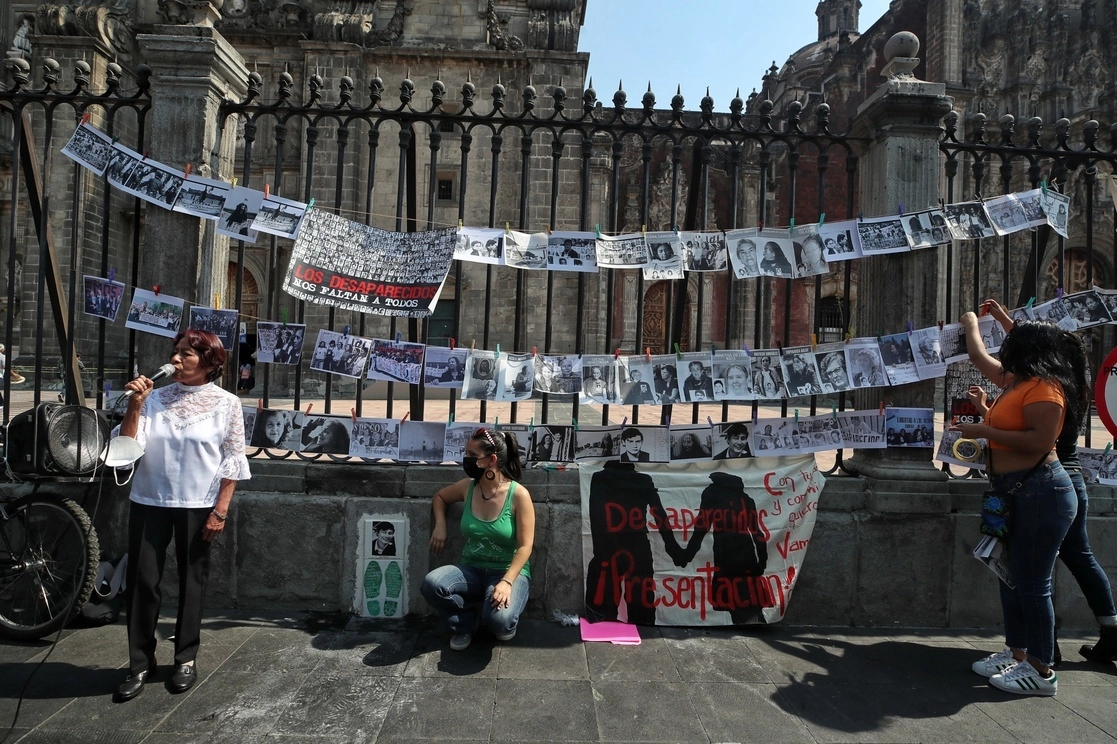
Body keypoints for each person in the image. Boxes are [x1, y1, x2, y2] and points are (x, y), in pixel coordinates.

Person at [970, 299, 1117, 667]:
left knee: (1035, 577)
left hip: (1047, 483)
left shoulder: (1045, 387)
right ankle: (1094, 633)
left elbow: (1035, 438)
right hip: (1047, 483)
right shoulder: (1062, 382)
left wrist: (972, 323)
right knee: (1056, 564)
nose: (1010, 354)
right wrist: (1005, 321)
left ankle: (1041, 656)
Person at [111, 329, 251, 702]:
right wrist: (136, 404)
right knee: (143, 582)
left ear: (209, 362)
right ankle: (139, 663)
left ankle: (185, 658)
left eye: (187, 354)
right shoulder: (153, 399)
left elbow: (232, 460)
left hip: (198, 504)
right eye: (175, 352)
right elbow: (127, 446)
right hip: (150, 499)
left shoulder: (227, 403)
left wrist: (220, 510)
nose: (176, 359)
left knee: (193, 581)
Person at [953, 310, 1087, 697]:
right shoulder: (1020, 382)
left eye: (1010, 342)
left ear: (1025, 349)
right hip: (1014, 491)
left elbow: (1037, 442)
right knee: (1011, 578)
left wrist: (983, 429)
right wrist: (984, 413)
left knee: (1032, 584)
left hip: (1043, 492)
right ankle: (1019, 653)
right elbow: (1013, 427)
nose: (1003, 347)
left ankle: (1042, 671)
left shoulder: (1046, 388)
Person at [421, 427, 534, 651]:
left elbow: (525, 546)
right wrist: (440, 526)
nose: (467, 460)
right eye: (466, 454)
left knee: (499, 622)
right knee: (432, 584)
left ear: (491, 459)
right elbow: (440, 497)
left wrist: (507, 582)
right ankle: (464, 623)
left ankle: (497, 615)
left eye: (473, 456)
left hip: (506, 571)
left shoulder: (518, 495)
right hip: (471, 569)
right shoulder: (467, 488)